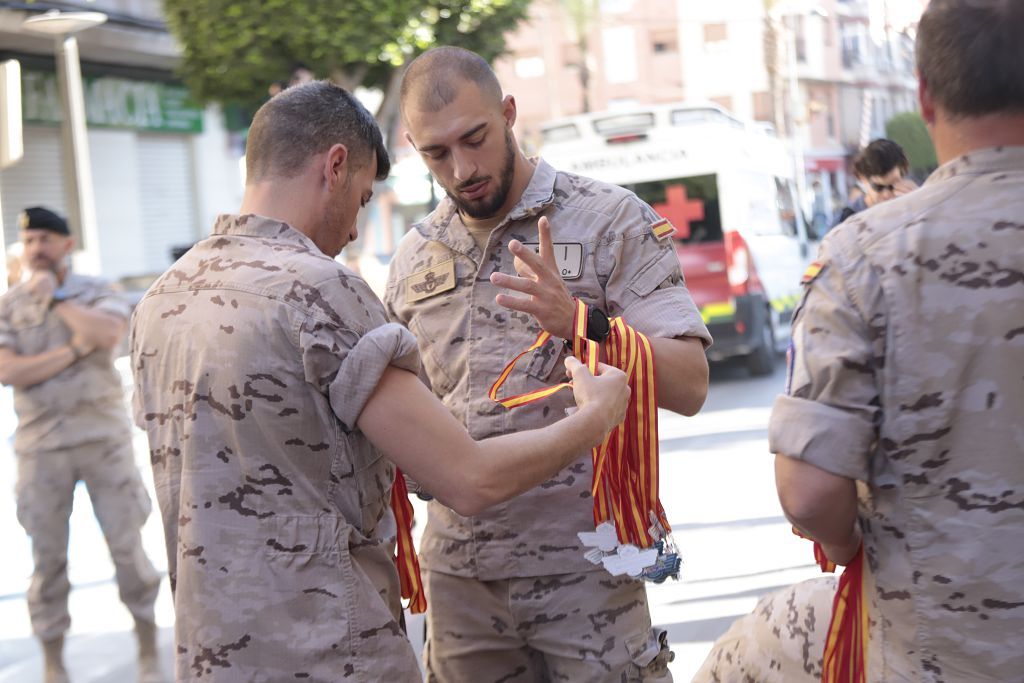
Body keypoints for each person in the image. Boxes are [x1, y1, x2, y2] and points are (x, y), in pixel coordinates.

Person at [129, 81, 630, 682]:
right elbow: (467, 479)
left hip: (212, 656)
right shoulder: (318, 291)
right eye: (364, 200)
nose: (352, 234)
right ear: (336, 166)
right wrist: (595, 418)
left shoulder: (163, 300)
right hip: (329, 651)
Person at [386, 46, 711, 682]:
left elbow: (690, 383)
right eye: (436, 154)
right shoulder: (413, 258)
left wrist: (581, 325)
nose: (462, 168)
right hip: (461, 583)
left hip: (585, 572)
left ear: (508, 113)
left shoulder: (610, 219)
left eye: (475, 138)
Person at [771, 0, 1024, 680]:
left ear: (924, 95)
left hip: (937, 653)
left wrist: (852, 542)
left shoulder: (861, 255)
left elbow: (807, 491)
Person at [0, 207, 164, 683]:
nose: (36, 249)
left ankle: (148, 647)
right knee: (47, 561)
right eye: (29, 240)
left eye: (46, 239)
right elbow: (8, 371)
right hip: (41, 449)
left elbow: (107, 333)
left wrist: (56, 304)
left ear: (67, 244)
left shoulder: (98, 291)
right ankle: (53, 660)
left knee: (127, 550)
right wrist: (74, 349)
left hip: (103, 442)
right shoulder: (10, 304)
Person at [834, 138, 916, 224]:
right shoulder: (845, 221)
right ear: (863, 178)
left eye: (893, 186)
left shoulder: (912, 210)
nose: (886, 194)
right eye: (878, 187)